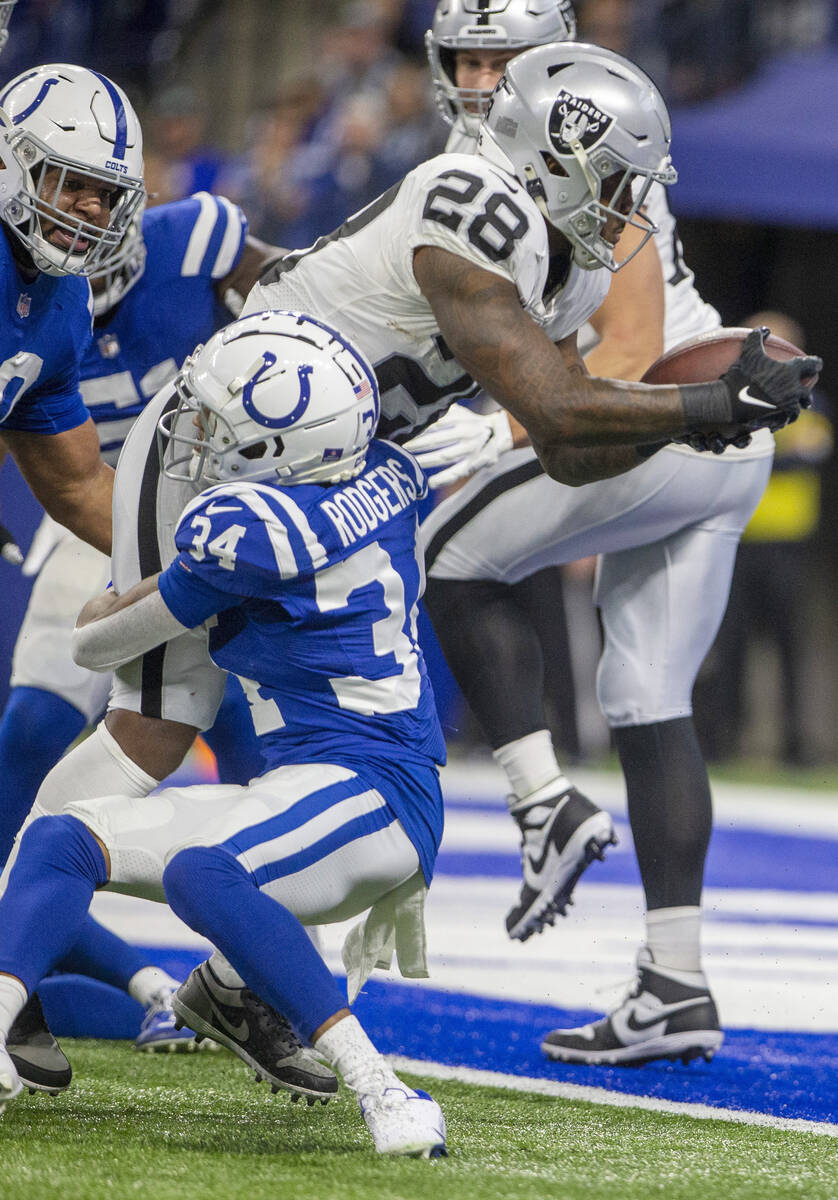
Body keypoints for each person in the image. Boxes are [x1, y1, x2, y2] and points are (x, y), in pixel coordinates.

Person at [409, 0, 777, 1066]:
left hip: (676, 412)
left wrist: (501, 424)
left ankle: (541, 805)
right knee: (647, 701)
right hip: (711, 444)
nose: (482, 82)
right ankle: (675, 983)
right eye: (466, 59)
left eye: (503, 59)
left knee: (450, 556)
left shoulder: (586, 144)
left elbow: (626, 350)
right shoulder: (480, 159)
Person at [0, 310, 448, 1158]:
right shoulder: (384, 469)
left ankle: (380, 1087)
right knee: (62, 836)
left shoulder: (245, 534)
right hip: (307, 778)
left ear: (285, 446)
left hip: (382, 791)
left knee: (204, 871)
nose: (193, 431)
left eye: (217, 419)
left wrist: (128, 599)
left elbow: (96, 643)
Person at [0, 187, 283, 1072]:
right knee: (35, 729)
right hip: (95, 512)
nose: (77, 238)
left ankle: (252, 981)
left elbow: (302, 302)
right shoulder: (31, 293)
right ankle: (21, 986)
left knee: (251, 741)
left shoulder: (194, 238)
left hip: (212, 517)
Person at [0, 62, 144, 555]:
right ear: (10, 166)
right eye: (72, 182)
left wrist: (193, 568)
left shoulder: (65, 303)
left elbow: (77, 486)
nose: (92, 208)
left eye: (106, 194)